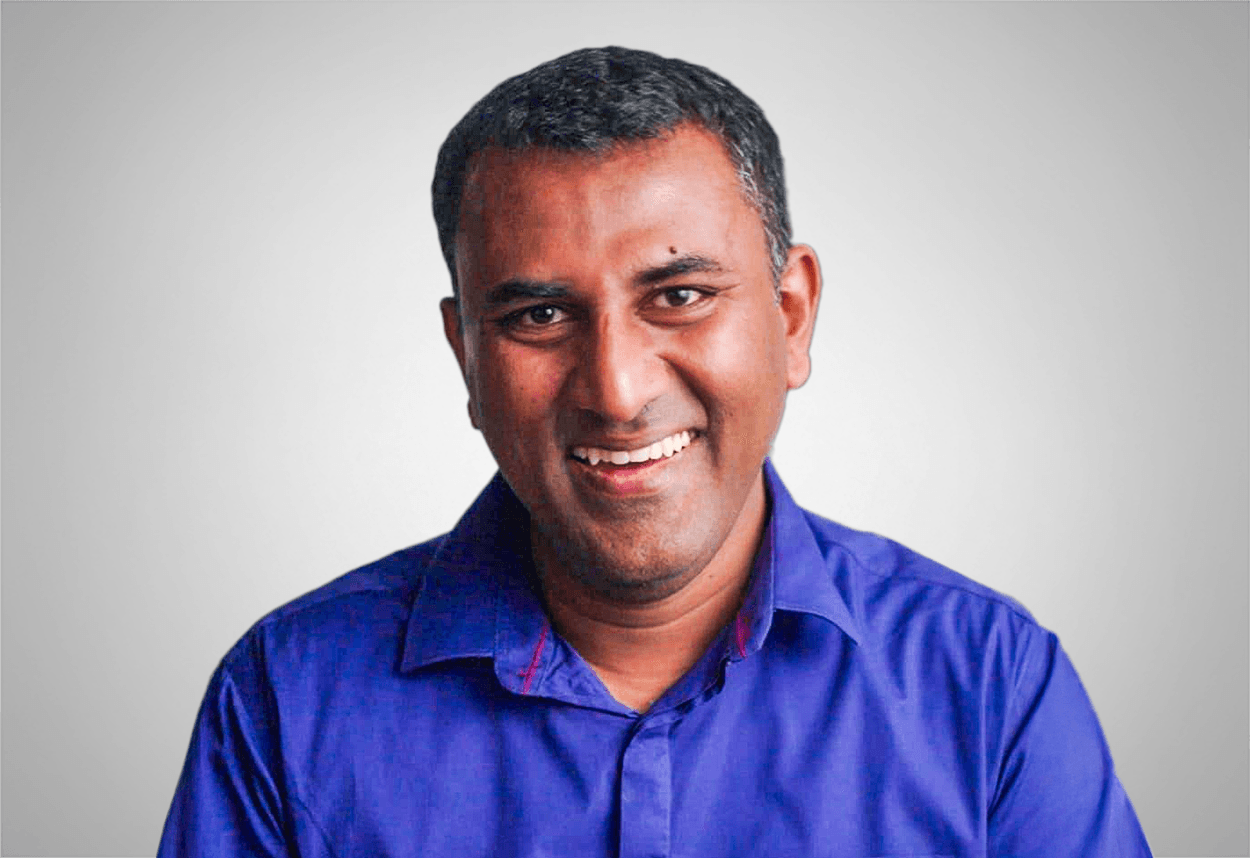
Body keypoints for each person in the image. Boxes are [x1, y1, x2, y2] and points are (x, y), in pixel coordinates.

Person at [158, 46, 1152, 856]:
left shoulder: (984, 682)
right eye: (539, 314)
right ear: (466, 354)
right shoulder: (289, 696)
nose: (618, 391)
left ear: (791, 314)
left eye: (678, 296)